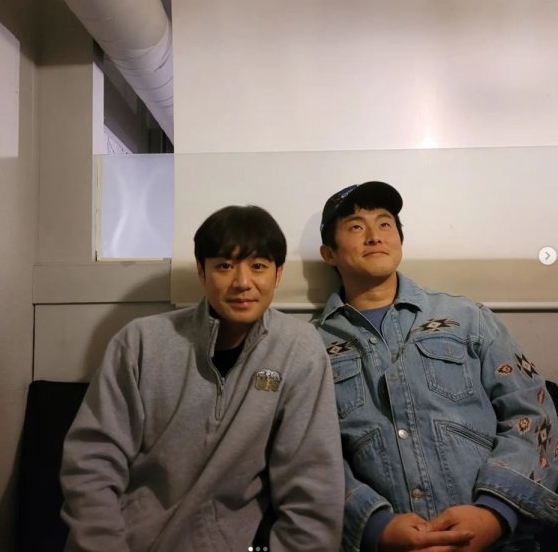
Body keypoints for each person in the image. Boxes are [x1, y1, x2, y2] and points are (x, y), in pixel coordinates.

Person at [60, 205, 344, 552]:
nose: (242, 283)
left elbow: (313, 486)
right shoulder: (141, 342)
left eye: (258, 266)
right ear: (201, 271)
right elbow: (92, 464)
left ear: (278, 274)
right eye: (225, 266)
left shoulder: (298, 349)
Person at [313, 181, 558, 552]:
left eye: (385, 224)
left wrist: (494, 514)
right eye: (356, 227)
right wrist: (376, 526)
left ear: (399, 239)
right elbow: (309, 453)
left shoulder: (467, 318)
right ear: (329, 253)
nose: (375, 236)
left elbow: (534, 410)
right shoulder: (311, 347)